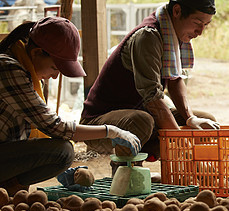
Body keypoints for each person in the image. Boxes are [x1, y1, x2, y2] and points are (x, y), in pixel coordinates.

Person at [0, 16, 141, 196]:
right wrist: (110, 131)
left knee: (59, 151)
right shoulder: (9, 69)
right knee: (63, 152)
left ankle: (9, 188)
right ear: (36, 53)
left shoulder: (26, 70)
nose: (55, 77)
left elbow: (41, 127)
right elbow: (54, 127)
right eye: (54, 68)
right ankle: (8, 186)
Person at [80, 0, 220, 179]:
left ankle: (172, 175)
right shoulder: (148, 36)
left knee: (206, 122)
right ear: (177, 11)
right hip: (99, 124)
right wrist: (182, 145)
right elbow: (152, 98)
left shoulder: (175, 34)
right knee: (141, 121)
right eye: (198, 23)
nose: (200, 32)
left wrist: (190, 118)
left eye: (206, 25)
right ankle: (125, 176)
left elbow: (175, 80)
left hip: (140, 116)